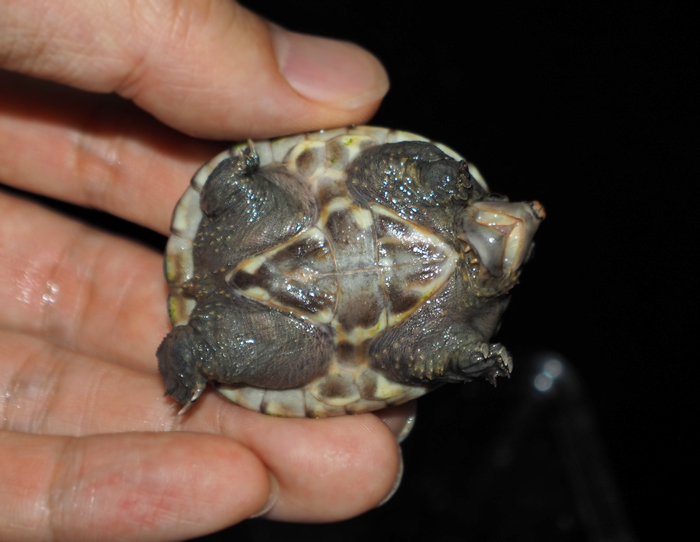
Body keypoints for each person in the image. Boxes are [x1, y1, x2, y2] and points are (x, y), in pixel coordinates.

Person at [0, 1, 413, 539]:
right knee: (278, 259)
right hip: (279, 287)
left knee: (262, 233)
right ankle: (201, 348)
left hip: (265, 272)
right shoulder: (442, 199)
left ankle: (201, 346)